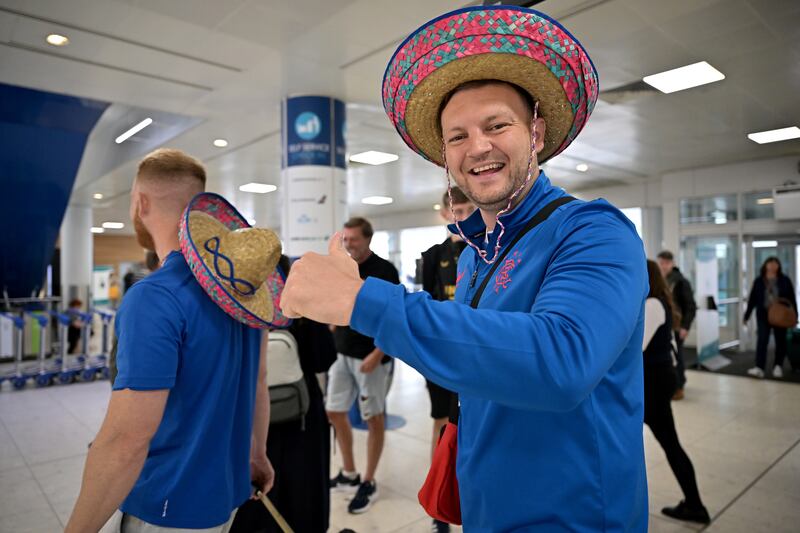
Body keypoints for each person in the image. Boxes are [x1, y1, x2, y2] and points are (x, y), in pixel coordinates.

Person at [281, 6, 648, 531]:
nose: (477, 146)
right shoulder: (478, 253)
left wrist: (360, 300)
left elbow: (562, 362)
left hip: (575, 515)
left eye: (497, 125)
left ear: (537, 133)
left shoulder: (595, 233)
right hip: (486, 509)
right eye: (457, 136)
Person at [66, 149, 275, 532]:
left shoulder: (155, 297)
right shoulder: (244, 294)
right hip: (224, 499)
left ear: (140, 202)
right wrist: (256, 452)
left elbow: (126, 439)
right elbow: (259, 380)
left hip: (165, 505)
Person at [232, 256, 338, 533]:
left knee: (257, 499)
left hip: (249, 416)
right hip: (301, 414)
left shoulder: (234, 306)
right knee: (303, 492)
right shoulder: (301, 304)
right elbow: (323, 359)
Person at [327, 216, 400, 514]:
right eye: (345, 239)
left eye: (353, 239)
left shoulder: (385, 271)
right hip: (342, 354)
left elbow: (395, 317)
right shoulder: (344, 268)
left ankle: (368, 481)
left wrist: (378, 353)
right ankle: (349, 471)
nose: (348, 244)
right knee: (334, 410)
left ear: (368, 239)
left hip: (370, 357)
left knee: (373, 418)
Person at [419, 187, 475, 533]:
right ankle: (440, 503)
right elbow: (425, 305)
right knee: (442, 425)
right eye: (456, 209)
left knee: (477, 424)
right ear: (444, 213)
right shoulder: (431, 256)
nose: (462, 215)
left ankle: (471, 496)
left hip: (477, 354)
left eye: (468, 208)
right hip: (443, 356)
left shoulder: (489, 249)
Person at [644, 260, 710, 524]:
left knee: (669, 444)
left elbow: (635, 347)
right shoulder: (659, 302)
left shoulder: (651, 306)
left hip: (653, 383)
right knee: (670, 443)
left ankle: (695, 505)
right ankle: (694, 503)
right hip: (659, 380)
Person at [744, 256, 797, 378]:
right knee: (762, 340)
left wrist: (795, 315)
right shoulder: (759, 281)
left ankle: (778, 366)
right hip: (763, 314)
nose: (773, 266)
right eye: (770, 263)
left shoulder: (784, 280)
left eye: (775, 263)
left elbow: (792, 299)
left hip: (780, 314)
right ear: (765, 265)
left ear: (779, 266)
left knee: (780, 340)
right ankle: (759, 367)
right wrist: (746, 315)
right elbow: (752, 299)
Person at [657, 250, 697, 400]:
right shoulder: (658, 280)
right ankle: (675, 383)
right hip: (663, 325)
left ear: (672, 263)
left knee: (677, 357)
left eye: (666, 263)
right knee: (669, 357)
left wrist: (685, 327)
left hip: (677, 326)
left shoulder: (680, 281)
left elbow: (690, 306)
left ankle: (679, 387)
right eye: (661, 262)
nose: (663, 266)